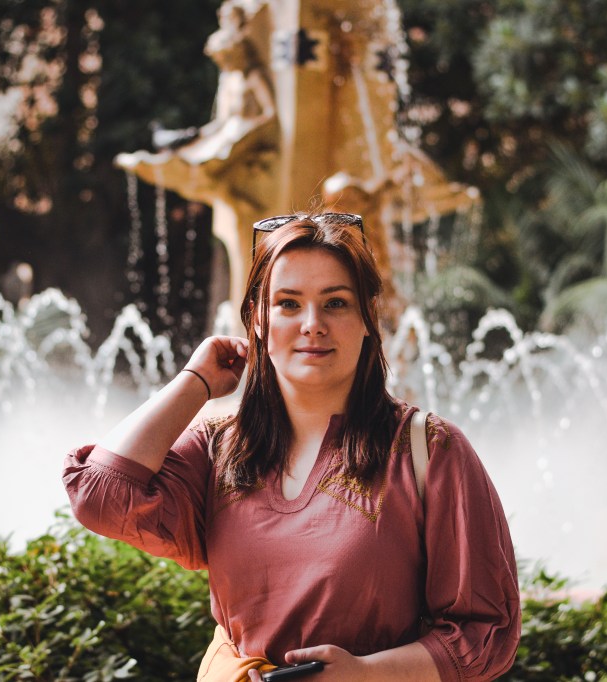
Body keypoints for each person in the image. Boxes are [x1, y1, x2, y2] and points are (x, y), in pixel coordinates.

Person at [62, 212, 521, 681]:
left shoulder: (428, 451)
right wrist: (194, 382)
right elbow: (100, 495)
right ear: (257, 321)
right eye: (287, 304)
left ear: (367, 318)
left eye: (336, 303)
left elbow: (485, 632)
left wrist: (366, 674)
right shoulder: (219, 449)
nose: (312, 324)